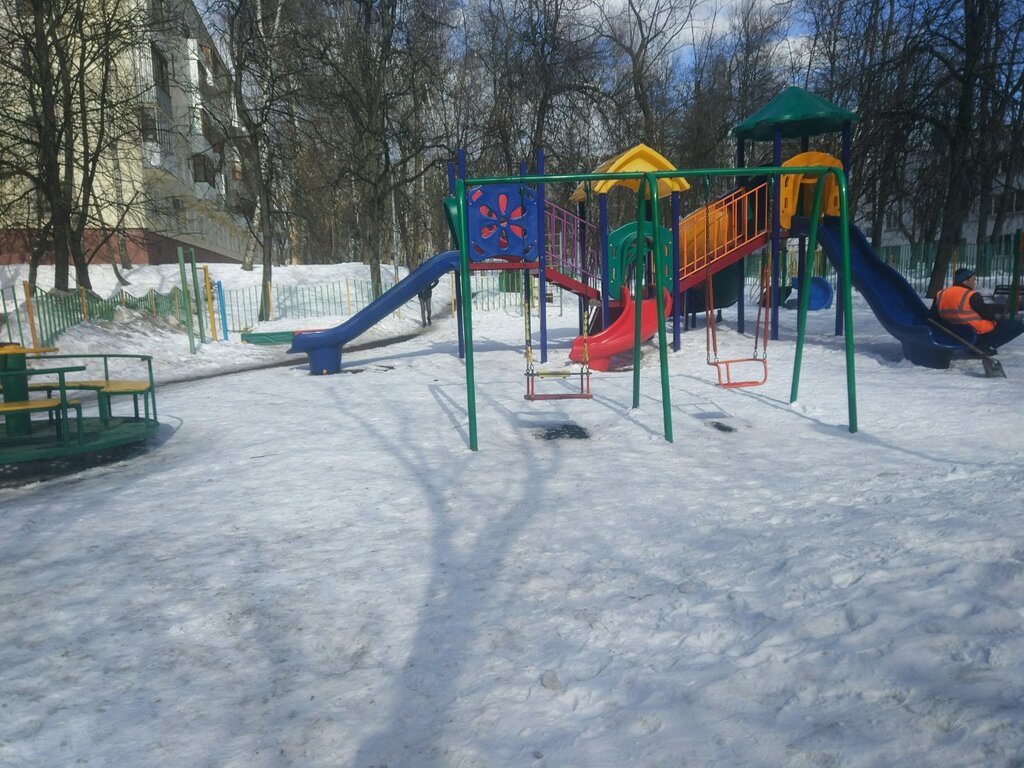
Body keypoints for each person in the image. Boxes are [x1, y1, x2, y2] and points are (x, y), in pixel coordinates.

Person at [932, 267, 1024, 354]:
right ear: (965, 281)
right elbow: (986, 314)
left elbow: (934, 315)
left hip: (953, 333)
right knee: (1017, 325)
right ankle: (985, 347)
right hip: (975, 335)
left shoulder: (941, 294)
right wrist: (997, 317)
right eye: (973, 280)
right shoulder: (971, 295)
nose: (974, 283)